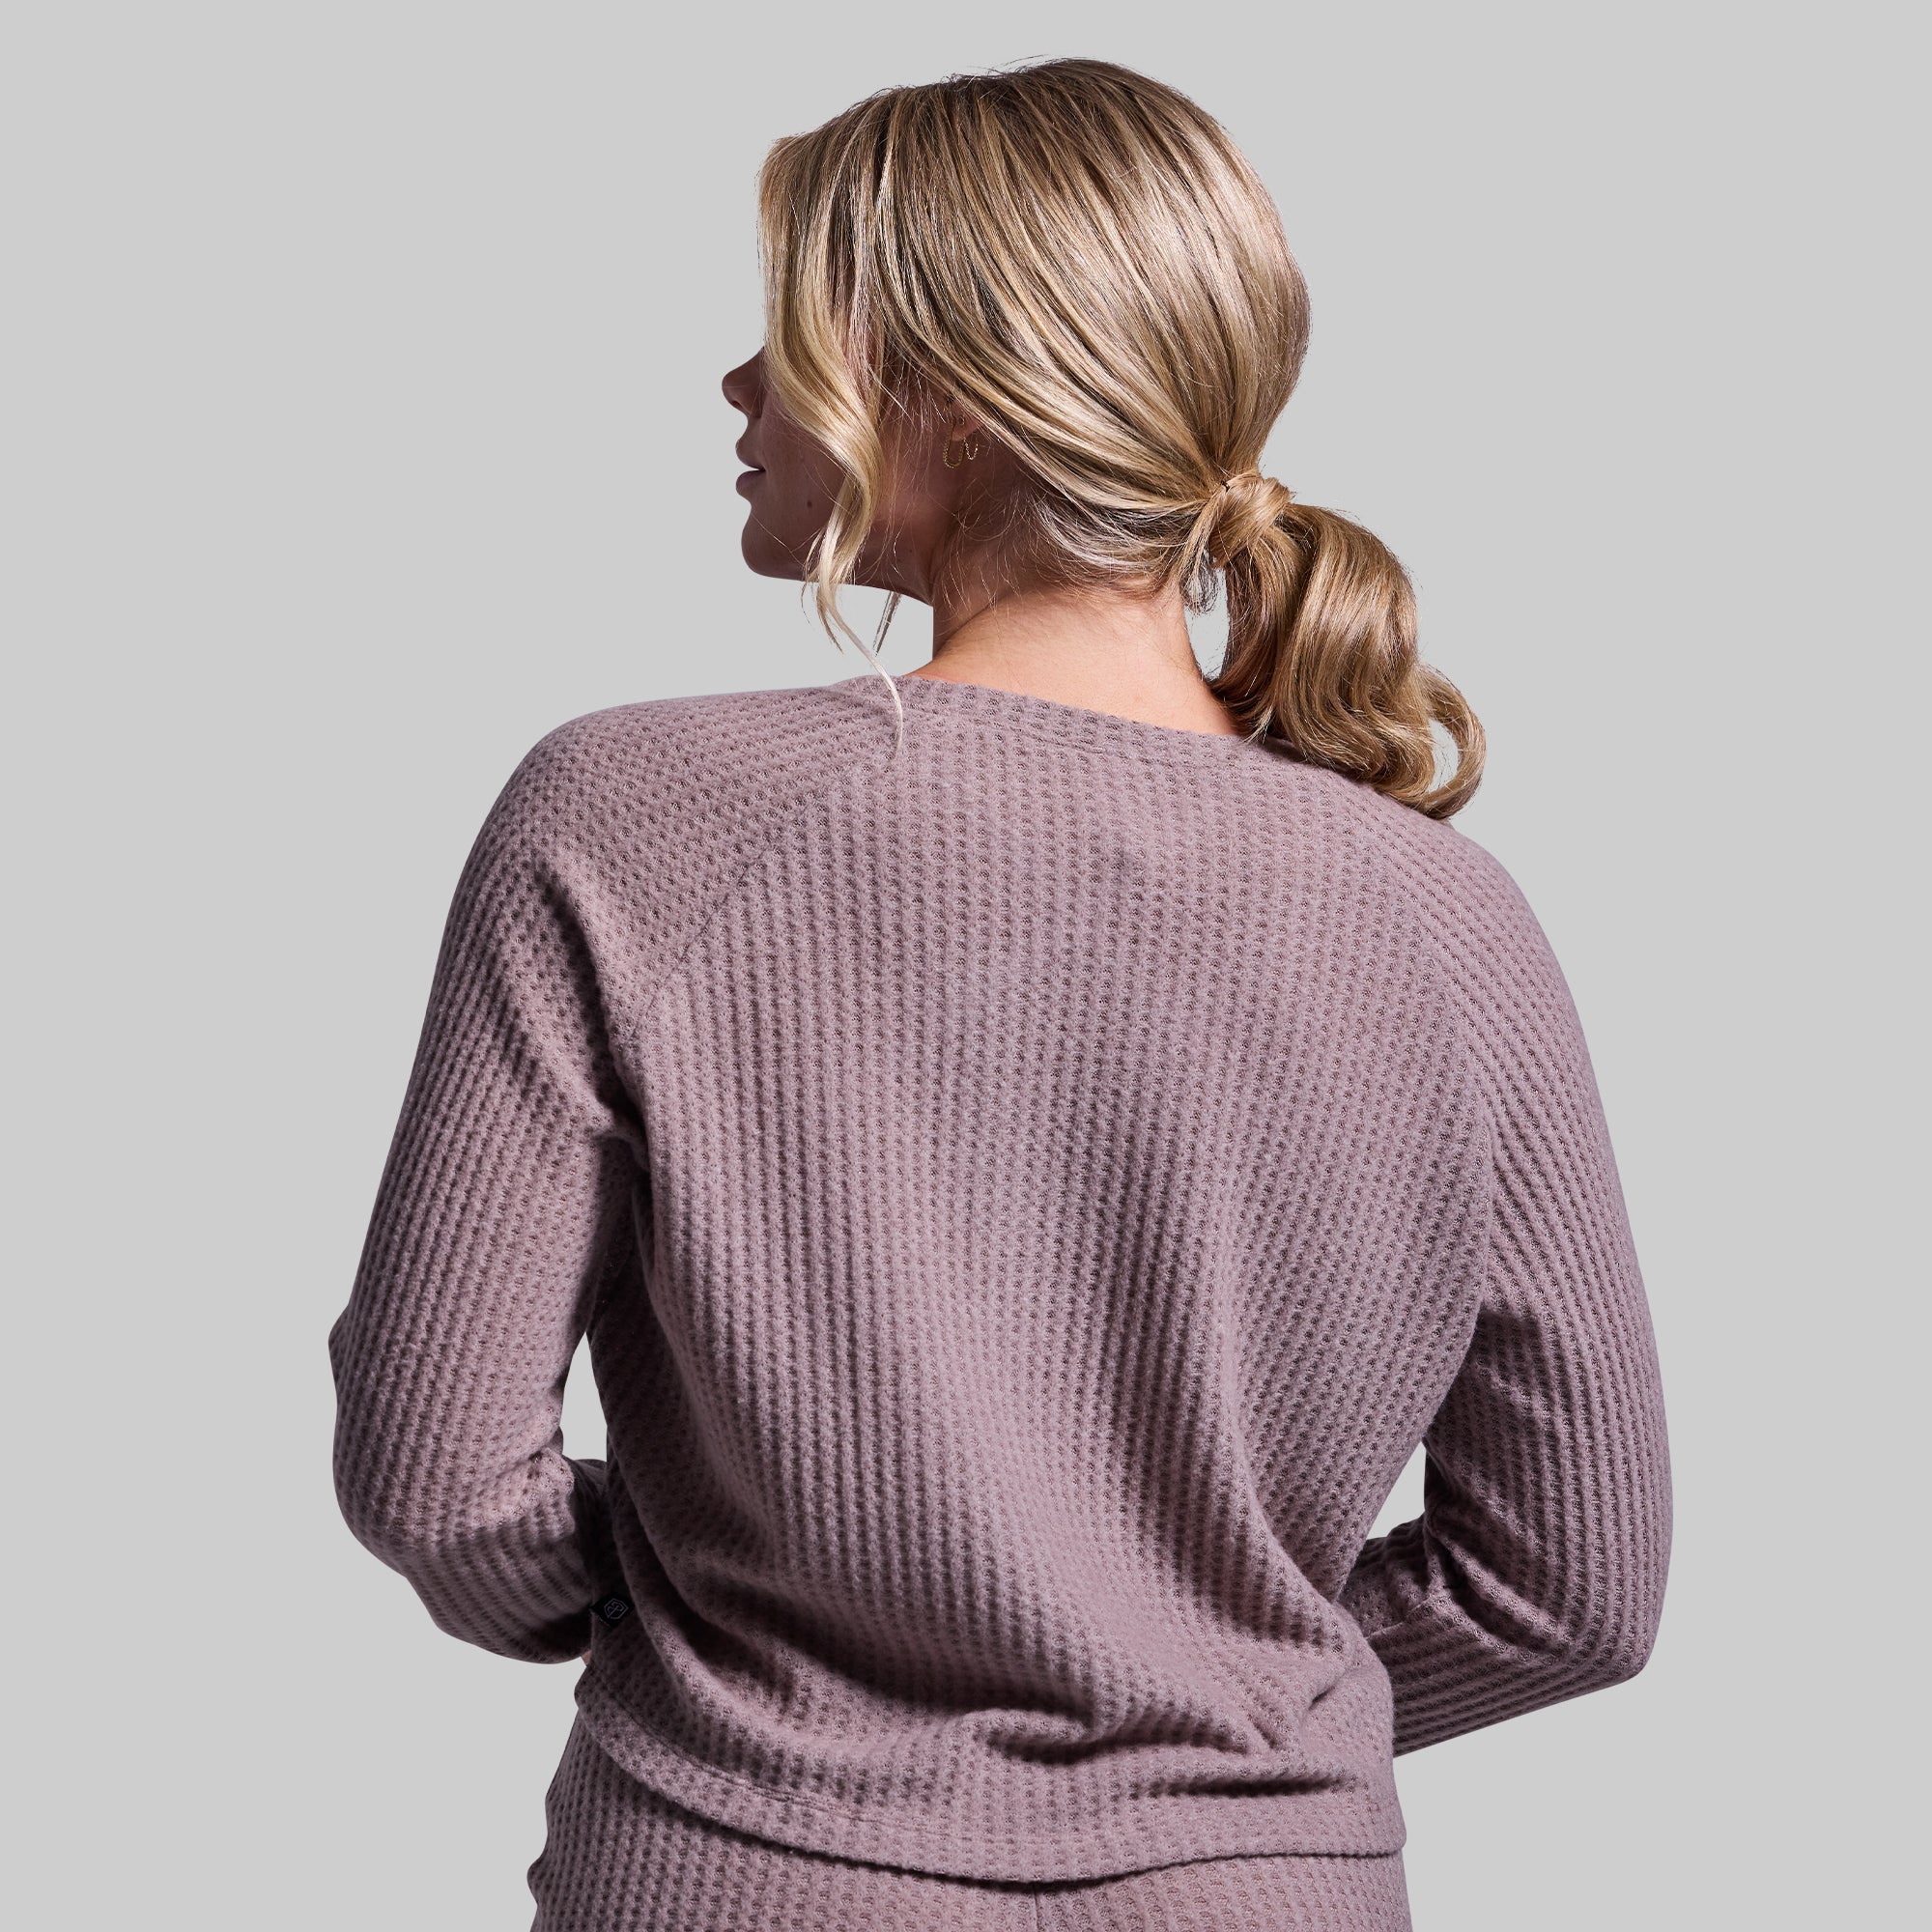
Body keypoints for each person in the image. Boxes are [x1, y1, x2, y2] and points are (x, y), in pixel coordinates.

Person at [327, 57, 1672, 1932]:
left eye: (790, 329)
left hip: (742, 1878)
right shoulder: (1452, 919)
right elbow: (1568, 1591)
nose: (736, 385)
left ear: (947, 389)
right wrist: (1216, 1729)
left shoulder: (634, 816)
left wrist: (736, 1648)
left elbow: (434, 1479)